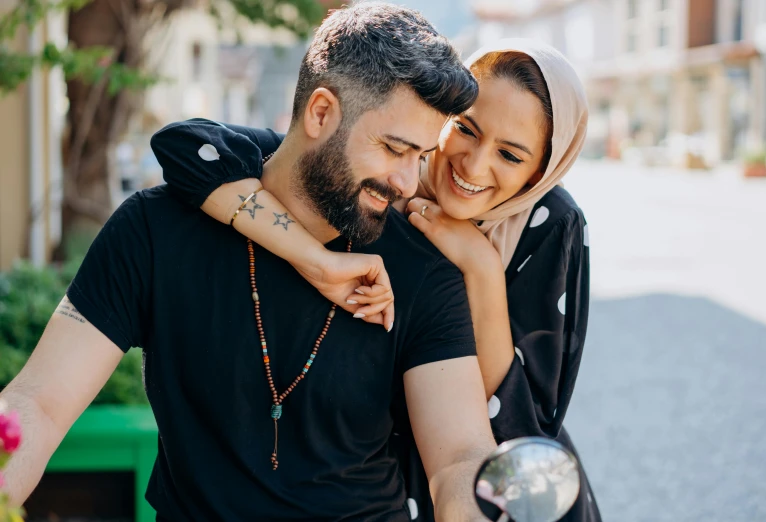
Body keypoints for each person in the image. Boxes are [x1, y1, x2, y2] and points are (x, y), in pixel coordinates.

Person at [0, 4, 500, 521]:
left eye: (419, 156)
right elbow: (37, 405)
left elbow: (461, 456)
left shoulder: (421, 269)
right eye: (394, 149)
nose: (407, 182)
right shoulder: (156, 231)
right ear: (321, 112)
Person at [154, 38, 602, 522]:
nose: (473, 165)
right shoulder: (382, 170)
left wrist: (481, 270)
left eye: (511, 156)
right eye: (465, 129)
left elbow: (525, 423)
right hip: (366, 477)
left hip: (485, 488)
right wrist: (311, 257)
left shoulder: (550, 223)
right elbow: (186, 147)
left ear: (543, 170)